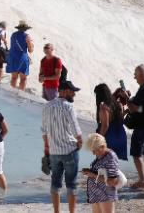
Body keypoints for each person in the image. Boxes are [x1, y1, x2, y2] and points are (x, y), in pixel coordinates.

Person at [42, 80, 83, 213]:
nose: (74, 95)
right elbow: (76, 128)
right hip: (70, 150)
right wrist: (79, 142)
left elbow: (43, 130)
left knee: (55, 184)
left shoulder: (47, 106)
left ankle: (57, 212)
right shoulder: (68, 107)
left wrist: (47, 148)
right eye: (72, 92)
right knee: (71, 184)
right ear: (64, 91)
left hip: (54, 152)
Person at [82, 133, 122, 213]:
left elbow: (113, 181)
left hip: (105, 195)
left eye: (94, 150)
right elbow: (101, 172)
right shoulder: (101, 155)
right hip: (97, 195)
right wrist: (90, 171)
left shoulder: (110, 158)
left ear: (102, 147)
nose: (93, 153)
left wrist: (93, 175)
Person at [93, 84, 127, 161]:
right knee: (112, 164)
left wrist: (98, 141)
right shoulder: (118, 104)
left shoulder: (104, 107)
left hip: (109, 137)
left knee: (103, 164)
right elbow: (121, 119)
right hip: (119, 136)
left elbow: (105, 125)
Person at [7, 20, 34, 91]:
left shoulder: (13, 35)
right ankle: (20, 93)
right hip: (22, 57)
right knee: (23, 78)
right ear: (26, 29)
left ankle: (12, 91)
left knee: (14, 77)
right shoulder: (27, 36)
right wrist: (32, 45)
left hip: (13, 56)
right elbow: (30, 50)